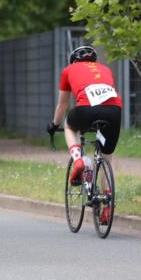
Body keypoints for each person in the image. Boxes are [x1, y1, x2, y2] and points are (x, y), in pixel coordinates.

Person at [49, 45, 123, 224]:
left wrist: (54, 124)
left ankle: (78, 160)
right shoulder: (105, 69)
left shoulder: (69, 70)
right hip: (114, 111)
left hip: (86, 110)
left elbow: (63, 105)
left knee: (69, 126)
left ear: (74, 61)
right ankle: (108, 205)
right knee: (107, 156)